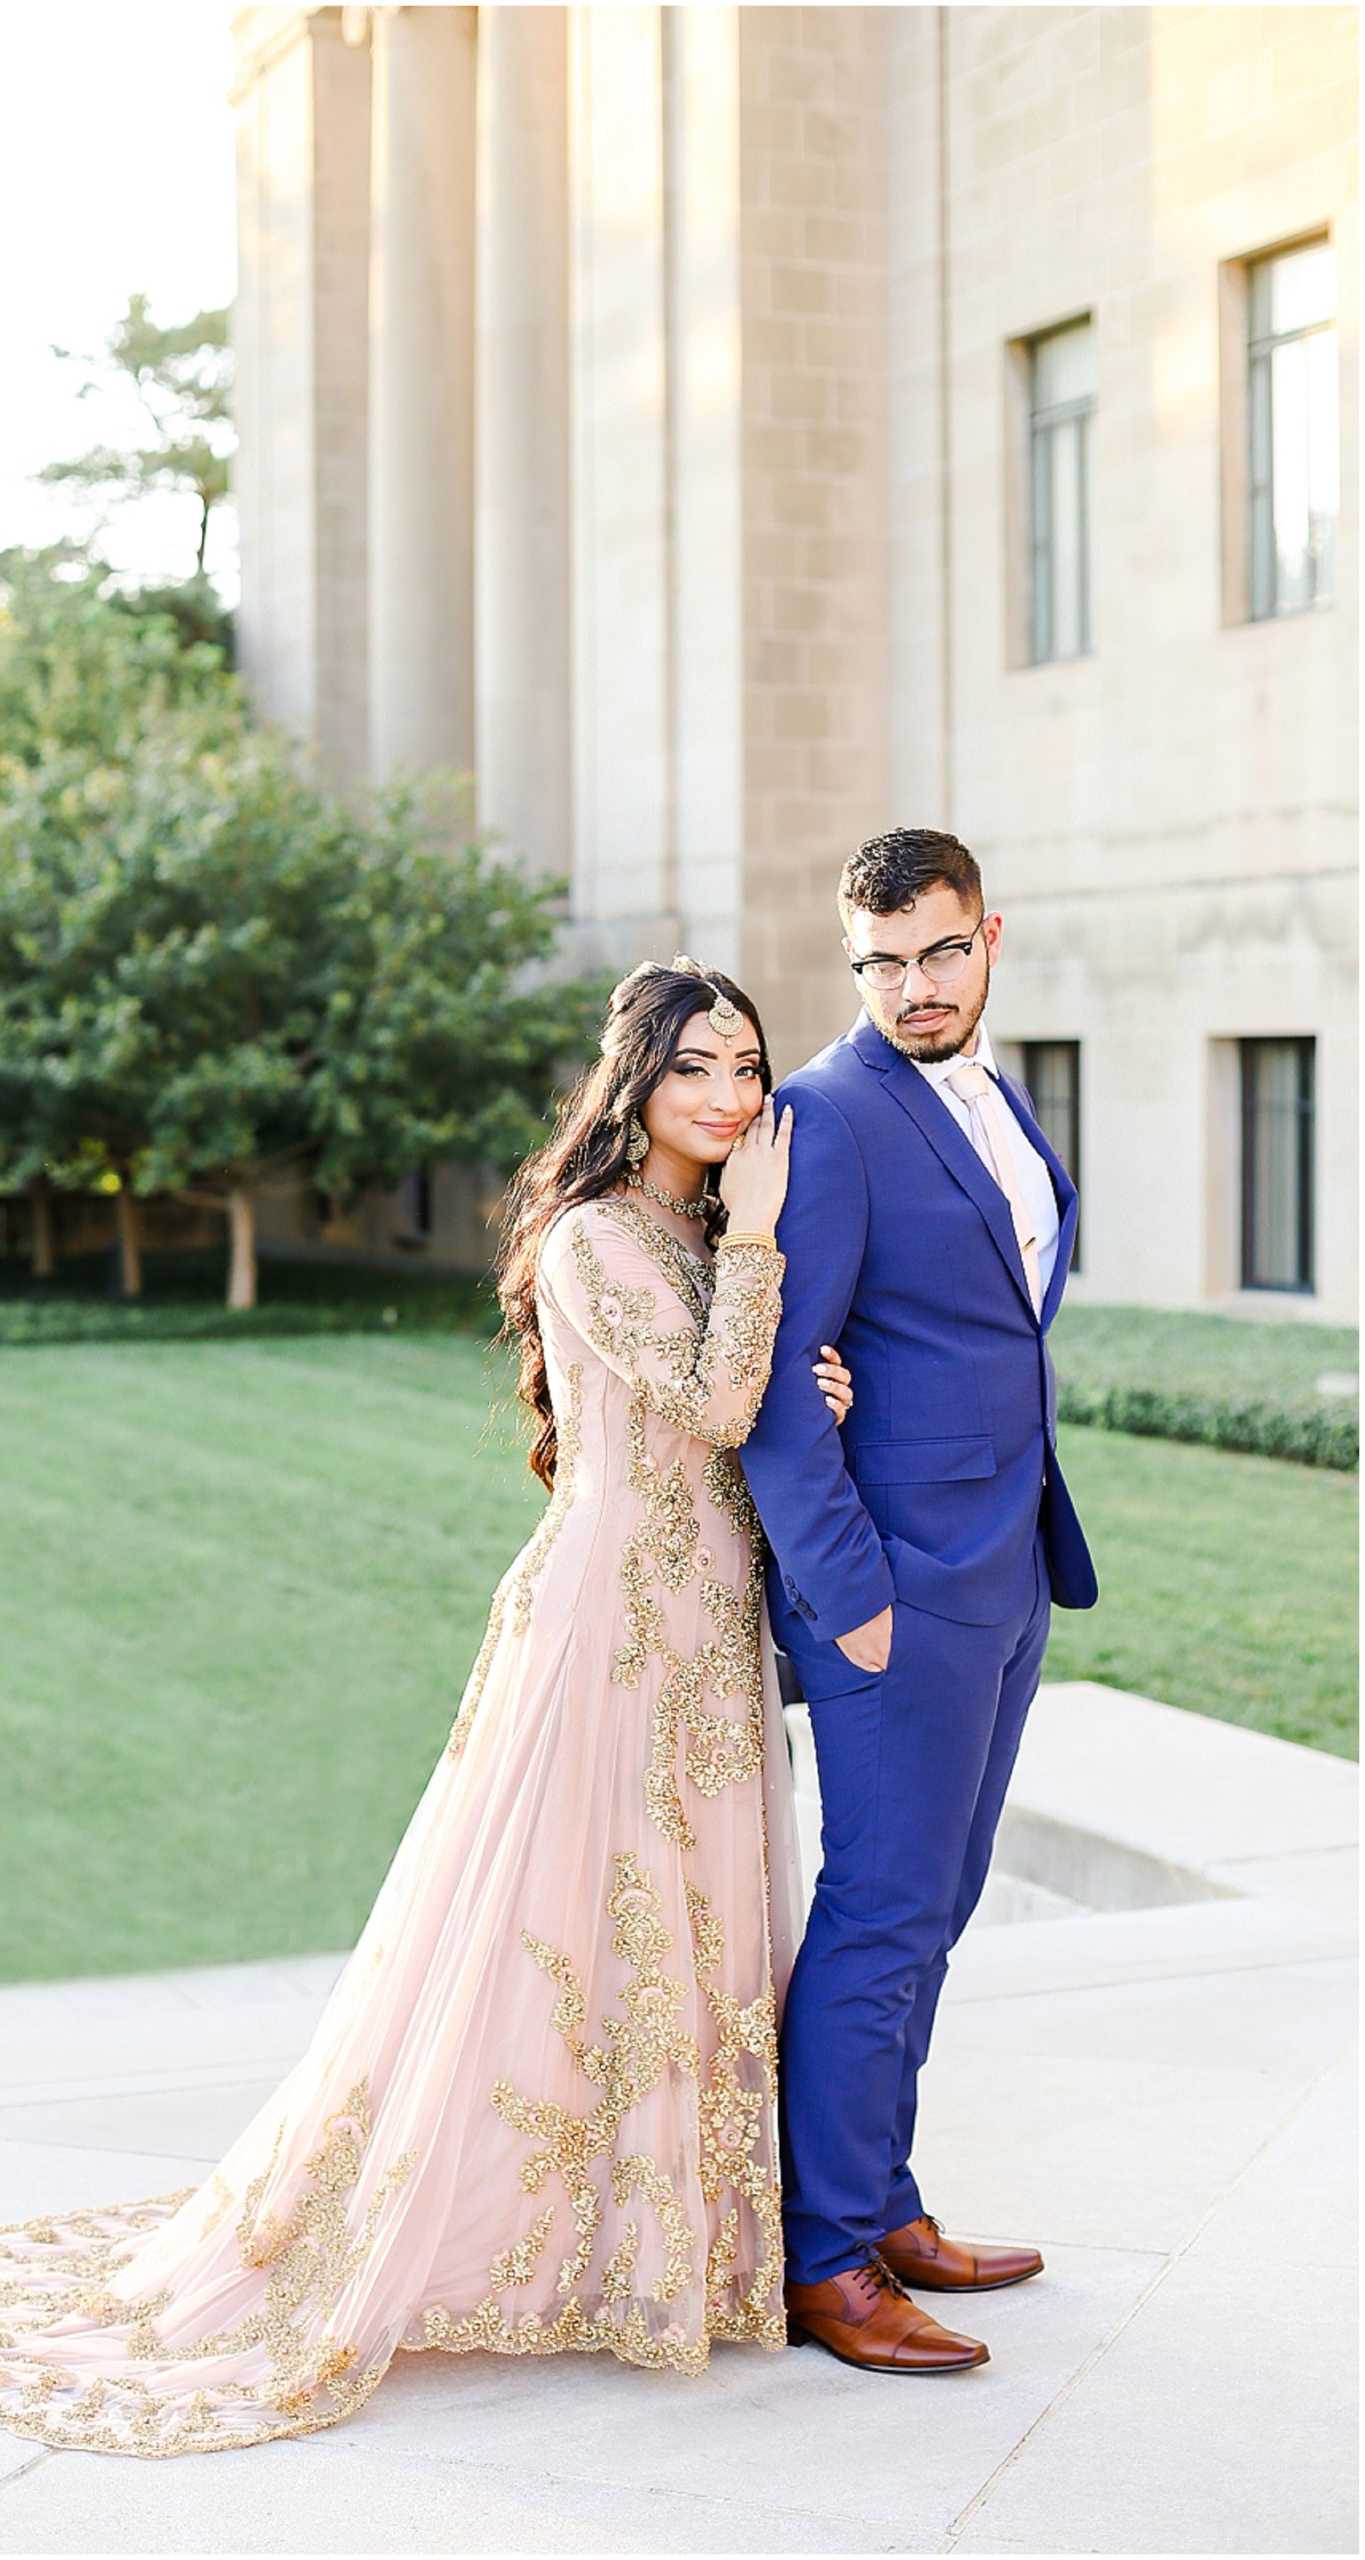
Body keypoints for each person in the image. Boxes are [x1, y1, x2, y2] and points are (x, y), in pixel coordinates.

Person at [0, 957, 852, 2455]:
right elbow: (707, 1406)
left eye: (747, 1067)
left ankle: (662, 2246)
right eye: (697, 1065)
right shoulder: (591, 1238)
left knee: (688, 1915)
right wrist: (762, 1271)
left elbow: (736, 1402)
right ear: (635, 1076)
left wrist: (796, 1372)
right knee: (572, 1921)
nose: (729, 1095)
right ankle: (498, 2236)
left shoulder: (696, 1232)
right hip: (604, 1625)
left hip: (706, 1622)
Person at [741, 826, 1098, 2378]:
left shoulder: (998, 1100)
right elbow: (771, 1393)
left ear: (988, 938)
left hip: (1005, 1567)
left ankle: (878, 2200)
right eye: (879, 963)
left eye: (937, 954)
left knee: (937, 1905)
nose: (910, 988)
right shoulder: (824, 1114)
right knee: (881, 1910)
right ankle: (821, 2261)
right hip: (894, 1592)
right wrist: (852, 1603)